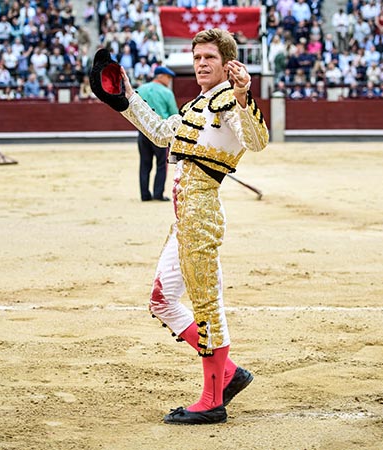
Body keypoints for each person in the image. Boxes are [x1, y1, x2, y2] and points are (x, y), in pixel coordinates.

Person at [90, 28, 269, 425]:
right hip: (184, 216)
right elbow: (159, 132)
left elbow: (257, 141)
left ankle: (212, 400)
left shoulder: (226, 101)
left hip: (200, 213)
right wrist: (125, 99)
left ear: (227, 62)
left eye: (209, 58)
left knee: (207, 304)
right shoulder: (199, 104)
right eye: (197, 57)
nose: (201, 64)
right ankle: (228, 374)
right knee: (160, 299)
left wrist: (243, 96)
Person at [134, 66, 178, 202]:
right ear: (160, 76)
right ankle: (158, 194)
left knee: (145, 164)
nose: (169, 80)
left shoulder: (141, 89)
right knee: (161, 164)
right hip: (161, 134)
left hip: (143, 133)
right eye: (168, 77)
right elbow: (174, 115)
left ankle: (145, 195)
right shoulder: (167, 92)